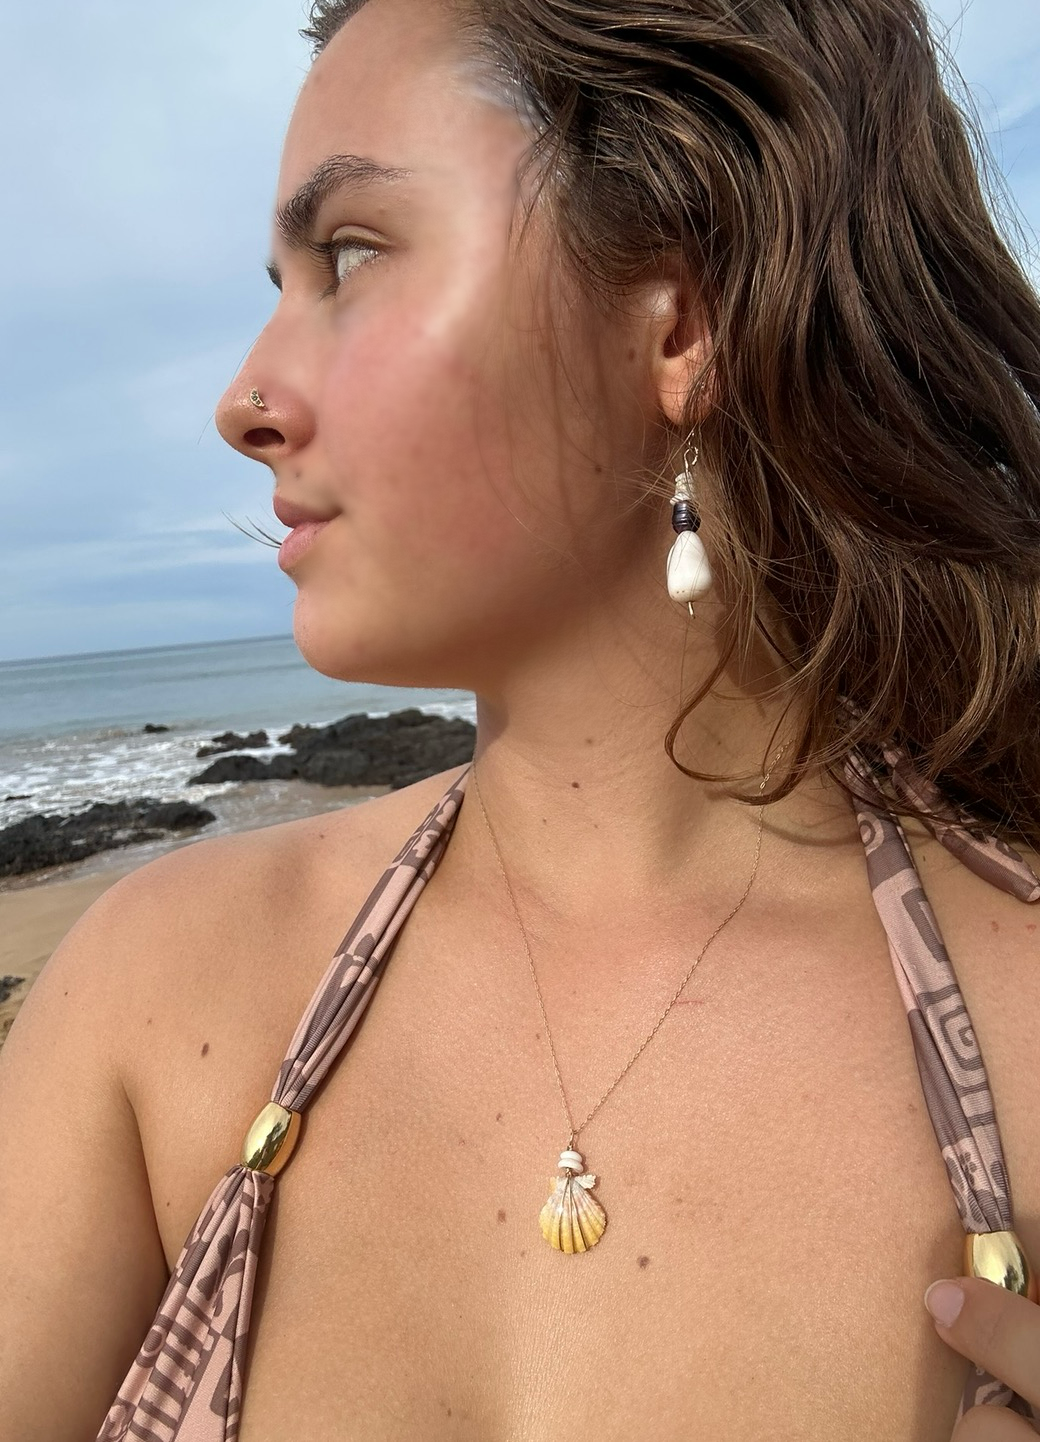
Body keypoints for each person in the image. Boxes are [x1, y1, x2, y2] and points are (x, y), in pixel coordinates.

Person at [2, 0, 1040, 1437]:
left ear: (680, 324)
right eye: (279, 279)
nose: (245, 399)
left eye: (349, 256)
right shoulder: (151, 997)